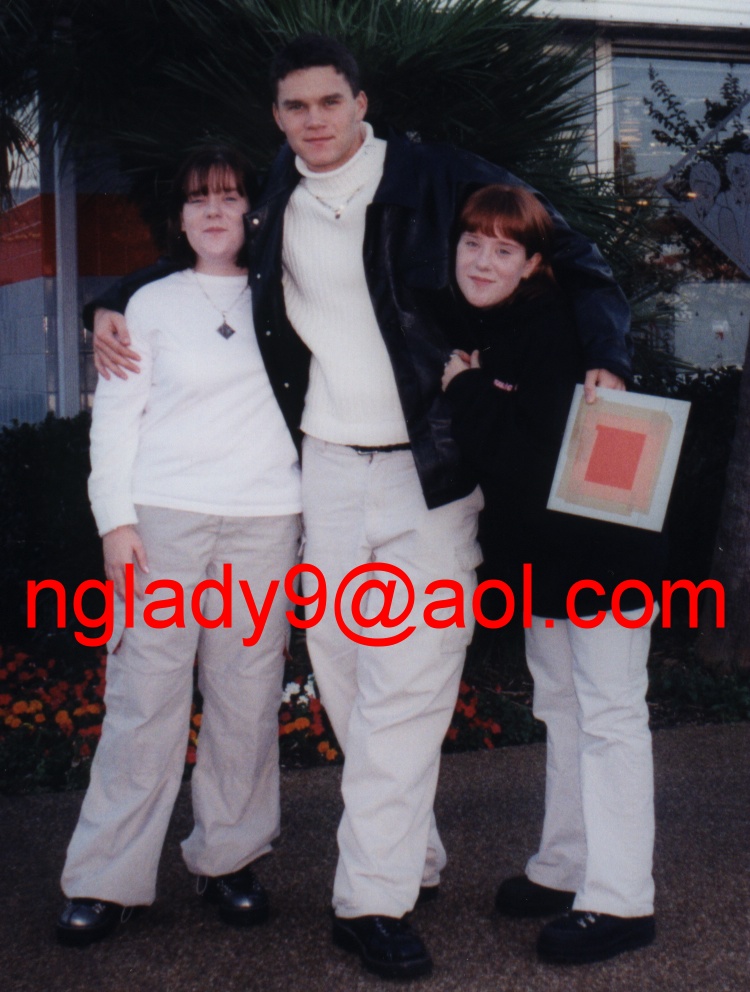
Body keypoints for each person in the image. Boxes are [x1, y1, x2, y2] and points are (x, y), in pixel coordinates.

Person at [89, 35, 633, 979]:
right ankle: (408, 855)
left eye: (329, 102)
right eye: (296, 107)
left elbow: (566, 247)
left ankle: (370, 900)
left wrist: (609, 354)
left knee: (408, 688)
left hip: (432, 470)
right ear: (277, 117)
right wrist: (114, 297)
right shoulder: (274, 195)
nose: (315, 120)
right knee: (343, 673)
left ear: (360, 102)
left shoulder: (434, 175)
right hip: (328, 471)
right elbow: (211, 257)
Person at [56, 146, 302, 946]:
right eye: (200, 199)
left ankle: (229, 859)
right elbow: (115, 425)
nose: (215, 211)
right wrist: (115, 523)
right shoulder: (147, 303)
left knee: (245, 699)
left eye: (230, 197)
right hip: (162, 521)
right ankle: (105, 878)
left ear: (254, 212)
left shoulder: (290, 295)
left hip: (266, 520)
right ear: (180, 216)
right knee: (144, 700)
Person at [442, 184, 664, 965]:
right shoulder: (493, 322)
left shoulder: (558, 327)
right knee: (564, 708)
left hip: (604, 557)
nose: (483, 261)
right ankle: (569, 864)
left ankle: (622, 899)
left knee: (609, 715)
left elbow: (533, 461)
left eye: (504, 249)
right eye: (473, 243)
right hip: (549, 560)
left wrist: (467, 390)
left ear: (534, 262)